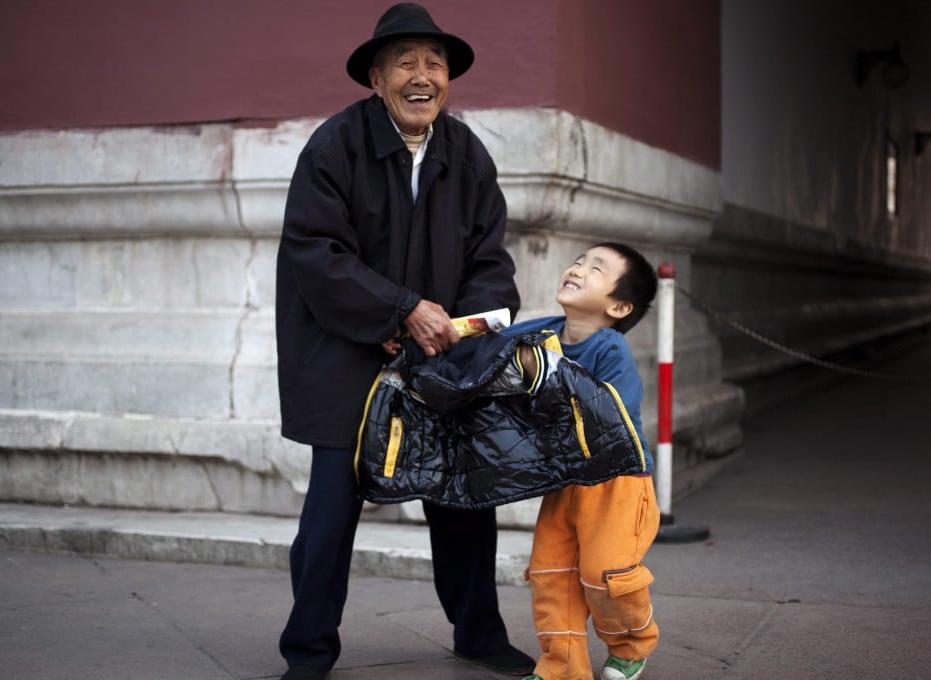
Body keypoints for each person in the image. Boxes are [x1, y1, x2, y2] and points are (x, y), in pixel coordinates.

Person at [274, 3, 534, 679]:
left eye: (435, 63)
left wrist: (461, 328)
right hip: (345, 350)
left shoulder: (466, 153)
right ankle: (308, 651)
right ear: (377, 77)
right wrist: (398, 312)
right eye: (406, 63)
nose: (423, 76)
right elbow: (316, 252)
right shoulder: (336, 145)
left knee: (462, 497)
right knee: (330, 512)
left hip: (442, 352)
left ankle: (478, 633)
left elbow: (490, 261)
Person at [503, 242, 660, 680]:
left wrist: (547, 379)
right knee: (551, 572)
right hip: (564, 477)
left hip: (617, 480)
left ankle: (632, 645)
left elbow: (612, 414)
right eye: (577, 261)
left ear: (619, 305)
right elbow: (492, 347)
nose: (577, 269)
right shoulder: (541, 333)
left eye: (596, 268)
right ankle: (562, 666)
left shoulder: (610, 350)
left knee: (606, 571)